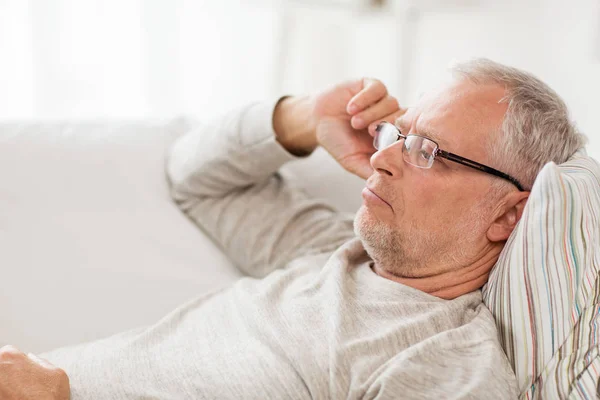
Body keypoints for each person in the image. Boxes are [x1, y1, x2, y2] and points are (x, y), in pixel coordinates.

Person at [0, 58, 586, 399]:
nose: (384, 158)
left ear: (510, 213)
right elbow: (195, 178)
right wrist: (307, 118)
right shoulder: (332, 252)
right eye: (397, 135)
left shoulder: (444, 364)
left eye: (428, 150)